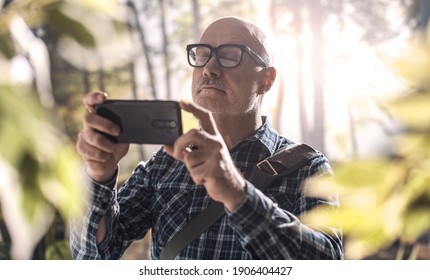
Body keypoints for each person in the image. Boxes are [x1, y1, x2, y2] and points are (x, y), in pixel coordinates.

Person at [70, 16, 343, 260]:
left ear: (266, 80)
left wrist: (239, 193)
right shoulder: (165, 164)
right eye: (202, 55)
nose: (209, 69)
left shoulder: (307, 167)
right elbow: (91, 257)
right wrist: (98, 175)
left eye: (229, 55)